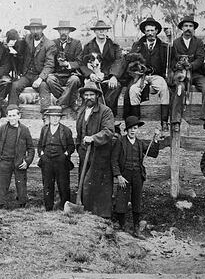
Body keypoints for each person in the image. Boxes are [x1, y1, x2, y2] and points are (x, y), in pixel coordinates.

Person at [110, 116, 162, 238]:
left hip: (138, 174)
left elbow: (153, 154)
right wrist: (119, 176)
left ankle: (136, 229)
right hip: (124, 175)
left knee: (136, 201)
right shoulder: (120, 142)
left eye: (135, 128)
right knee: (122, 200)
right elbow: (114, 160)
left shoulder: (140, 143)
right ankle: (121, 226)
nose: (133, 130)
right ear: (126, 130)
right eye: (131, 128)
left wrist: (155, 140)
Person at [75, 82, 115, 218]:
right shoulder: (81, 112)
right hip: (84, 154)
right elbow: (79, 133)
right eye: (86, 95)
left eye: (91, 94)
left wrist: (94, 138)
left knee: (98, 186)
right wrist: (79, 148)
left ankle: (101, 217)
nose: (89, 97)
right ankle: (86, 213)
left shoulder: (105, 111)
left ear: (97, 95)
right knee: (85, 183)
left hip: (100, 155)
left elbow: (109, 131)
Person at [169, 15, 205, 133]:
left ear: (194, 29)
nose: (188, 28)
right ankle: (176, 121)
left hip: (196, 73)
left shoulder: (198, 42)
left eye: (191, 26)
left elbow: (200, 58)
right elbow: (172, 59)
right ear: (182, 28)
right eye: (186, 26)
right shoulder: (176, 42)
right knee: (179, 89)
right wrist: (177, 65)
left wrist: (192, 65)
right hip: (181, 74)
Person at [126, 16, 170, 131]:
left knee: (164, 88)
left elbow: (169, 62)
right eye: (148, 31)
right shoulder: (138, 45)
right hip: (141, 76)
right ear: (144, 32)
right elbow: (130, 60)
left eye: (152, 30)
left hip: (156, 75)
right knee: (133, 90)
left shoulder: (164, 46)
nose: (150, 33)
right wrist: (137, 67)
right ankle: (135, 121)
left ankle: (164, 121)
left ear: (156, 31)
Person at [8, 18, 56, 114]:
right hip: (26, 75)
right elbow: (16, 45)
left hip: (39, 76)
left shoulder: (49, 44)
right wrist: (11, 45)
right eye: (32, 29)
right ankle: (13, 111)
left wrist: (40, 78)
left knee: (43, 87)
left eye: (37, 29)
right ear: (30, 30)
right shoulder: (27, 39)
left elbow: (49, 64)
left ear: (42, 30)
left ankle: (46, 114)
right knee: (15, 86)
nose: (35, 32)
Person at [79, 19, 125, 116]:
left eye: (104, 30)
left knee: (115, 87)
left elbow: (119, 61)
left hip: (108, 77)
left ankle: (108, 115)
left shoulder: (114, 46)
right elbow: (82, 63)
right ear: (95, 31)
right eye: (99, 30)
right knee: (90, 91)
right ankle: (92, 116)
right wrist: (90, 74)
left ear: (107, 31)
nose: (101, 32)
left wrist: (114, 76)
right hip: (93, 77)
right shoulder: (88, 46)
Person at [0, 105, 35, 208]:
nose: (12, 118)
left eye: (14, 115)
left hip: (19, 162)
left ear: (19, 116)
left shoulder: (24, 129)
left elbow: (31, 148)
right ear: (7, 117)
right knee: (2, 186)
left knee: (21, 186)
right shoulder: (3, 129)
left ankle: (22, 206)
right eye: (10, 116)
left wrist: (27, 161)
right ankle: (0, 207)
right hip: (5, 161)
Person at [38, 20, 83, 115]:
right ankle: (70, 101)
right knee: (49, 79)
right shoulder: (53, 43)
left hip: (71, 74)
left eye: (66, 30)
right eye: (61, 30)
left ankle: (60, 104)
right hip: (57, 75)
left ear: (69, 31)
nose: (63, 32)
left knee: (74, 80)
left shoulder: (76, 43)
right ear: (58, 31)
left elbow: (79, 62)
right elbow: (49, 60)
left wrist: (68, 64)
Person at [37, 105, 75, 211]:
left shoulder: (66, 130)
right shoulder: (44, 129)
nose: (54, 119)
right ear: (49, 117)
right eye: (52, 116)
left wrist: (65, 155)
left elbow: (71, 146)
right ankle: (48, 207)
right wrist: (42, 155)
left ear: (60, 118)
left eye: (57, 116)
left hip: (61, 161)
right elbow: (40, 145)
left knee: (63, 184)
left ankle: (64, 207)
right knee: (48, 184)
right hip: (47, 161)